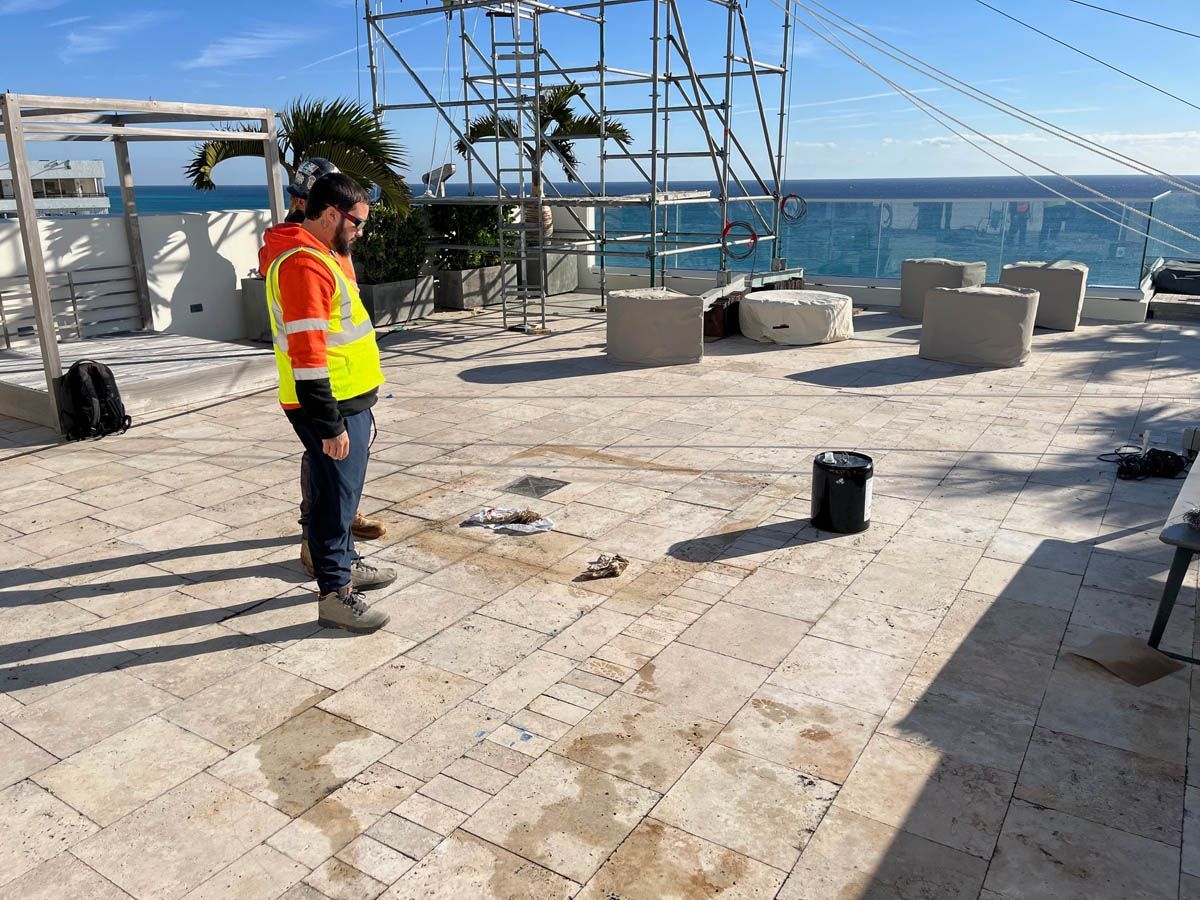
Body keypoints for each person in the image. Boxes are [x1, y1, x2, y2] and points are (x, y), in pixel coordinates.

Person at [259, 172, 394, 633]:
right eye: (356, 223)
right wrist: (329, 423)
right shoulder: (304, 265)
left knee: (344, 493)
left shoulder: (325, 255)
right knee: (333, 500)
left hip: (350, 397)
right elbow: (308, 352)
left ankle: (347, 564)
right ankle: (335, 595)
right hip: (329, 402)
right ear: (331, 214)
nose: (360, 231)